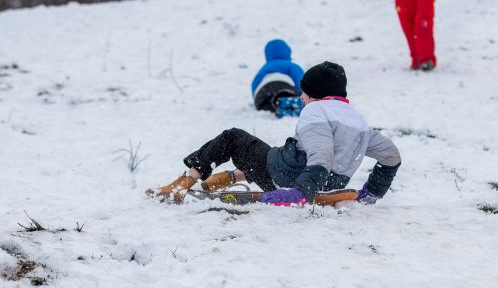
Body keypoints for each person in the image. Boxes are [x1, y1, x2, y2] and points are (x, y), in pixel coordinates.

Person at [149, 61, 401, 206]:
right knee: (267, 153)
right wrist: (372, 193)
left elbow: (321, 155)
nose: (301, 97)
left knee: (233, 137)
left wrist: (299, 194)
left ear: (316, 94)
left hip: (293, 177)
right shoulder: (356, 120)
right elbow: (391, 155)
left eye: (304, 92)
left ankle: (183, 183)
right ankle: (228, 177)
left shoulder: (315, 111)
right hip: (328, 182)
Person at [251, 39, 305, 118]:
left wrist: (257, 101)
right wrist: (302, 94)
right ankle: (287, 104)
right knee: (292, 98)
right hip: (282, 86)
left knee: (269, 105)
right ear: (288, 53)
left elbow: (254, 84)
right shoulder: (291, 65)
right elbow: (300, 82)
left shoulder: (263, 69)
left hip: (261, 95)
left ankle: (276, 107)